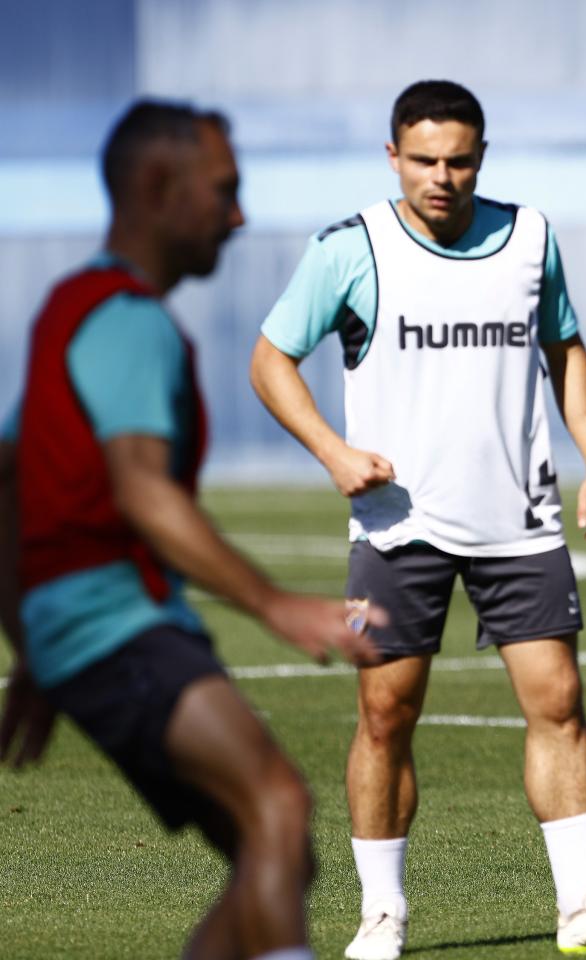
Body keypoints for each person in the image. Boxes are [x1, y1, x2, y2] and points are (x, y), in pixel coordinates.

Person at [249, 80, 586, 957]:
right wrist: (332, 451)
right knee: (385, 712)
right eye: (425, 160)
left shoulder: (529, 237)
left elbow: (567, 349)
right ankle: (382, 913)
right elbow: (271, 359)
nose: (442, 177)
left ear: (481, 157)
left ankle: (584, 902)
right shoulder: (350, 248)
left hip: (519, 517)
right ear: (393, 155)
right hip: (397, 525)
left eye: (460, 161)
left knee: (559, 702)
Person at [0, 100, 379, 960]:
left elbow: (10, 477)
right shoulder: (131, 322)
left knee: (272, 850)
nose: (238, 215)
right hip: (116, 624)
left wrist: (34, 645)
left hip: (81, 632)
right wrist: (279, 606)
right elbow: (142, 494)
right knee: (277, 804)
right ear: (157, 185)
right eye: (224, 189)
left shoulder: (72, 306)